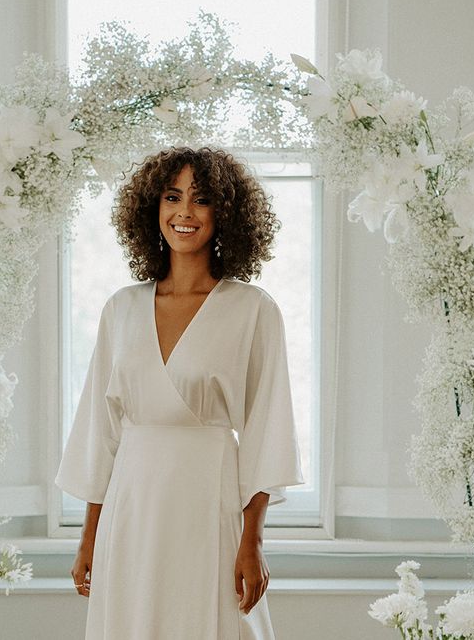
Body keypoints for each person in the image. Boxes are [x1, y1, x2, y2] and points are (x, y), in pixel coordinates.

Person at [55, 146, 304, 639]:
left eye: (202, 199)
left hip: (207, 496)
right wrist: (90, 538)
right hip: (132, 502)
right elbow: (100, 434)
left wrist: (252, 542)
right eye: (172, 197)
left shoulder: (252, 309)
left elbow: (266, 431)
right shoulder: (121, 309)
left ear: (226, 214)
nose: (184, 212)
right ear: (152, 209)